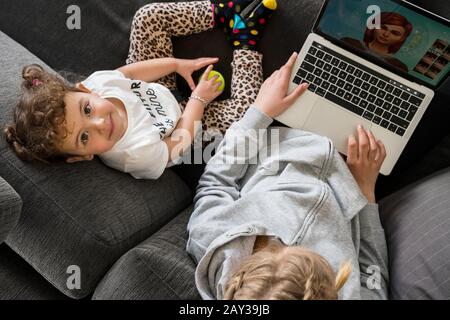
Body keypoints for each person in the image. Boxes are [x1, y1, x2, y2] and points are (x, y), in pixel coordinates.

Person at [187, 52, 389, 300]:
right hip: (353, 173)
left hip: (282, 136)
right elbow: (375, 284)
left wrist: (259, 113)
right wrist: (365, 192)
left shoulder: (211, 242)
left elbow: (215, 181)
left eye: (274, 247)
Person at [3, 0, 277, 179]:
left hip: (154, 87)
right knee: (245, 113)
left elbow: (132, 72)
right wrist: (199, 100)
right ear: (83, 156)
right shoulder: (134, 156)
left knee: (147, 18)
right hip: (184, 121)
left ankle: (221, 12)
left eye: (87, 109)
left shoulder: (99, 84)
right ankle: (246, 43)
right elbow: (179, 142)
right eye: (85, 137)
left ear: (84, 90)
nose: (99, 123)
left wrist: (178, 64)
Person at [342, 12, 413, 72]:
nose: (386, 34)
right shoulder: (348, 43)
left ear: (401, 39)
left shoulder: (399, 67)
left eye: (394, 33)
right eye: (383, 28)